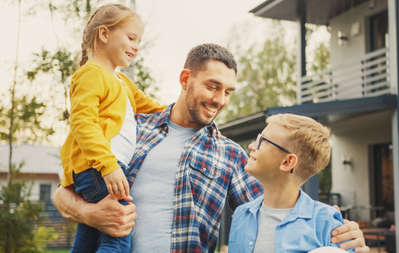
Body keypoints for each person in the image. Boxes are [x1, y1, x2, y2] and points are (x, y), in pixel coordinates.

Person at [53, 43, 369, 252]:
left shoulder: (230, 155)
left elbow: (279, 208)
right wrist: (89, 213)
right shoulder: (132, 127)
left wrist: (336, 229)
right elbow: (66, 187)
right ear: (185, 78)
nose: (220, 100)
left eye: (228, 91)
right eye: (212, 86)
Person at [60, 4, 165, 252]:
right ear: (104, 34)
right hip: (100, 168)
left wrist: (182, 111)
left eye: (138, 40)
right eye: (131, 38)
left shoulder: (121, 81)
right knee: (120, 226)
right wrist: (108, 166)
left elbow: (152, 107)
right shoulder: (90, 74)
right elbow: (83, 123)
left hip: (103, 168)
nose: (136, 46)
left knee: (90, 235)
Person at [228, 114, 357, 252]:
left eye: (263, 141)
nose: (252, 146)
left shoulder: (327, 223)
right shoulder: (241, 215)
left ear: (287, 162)